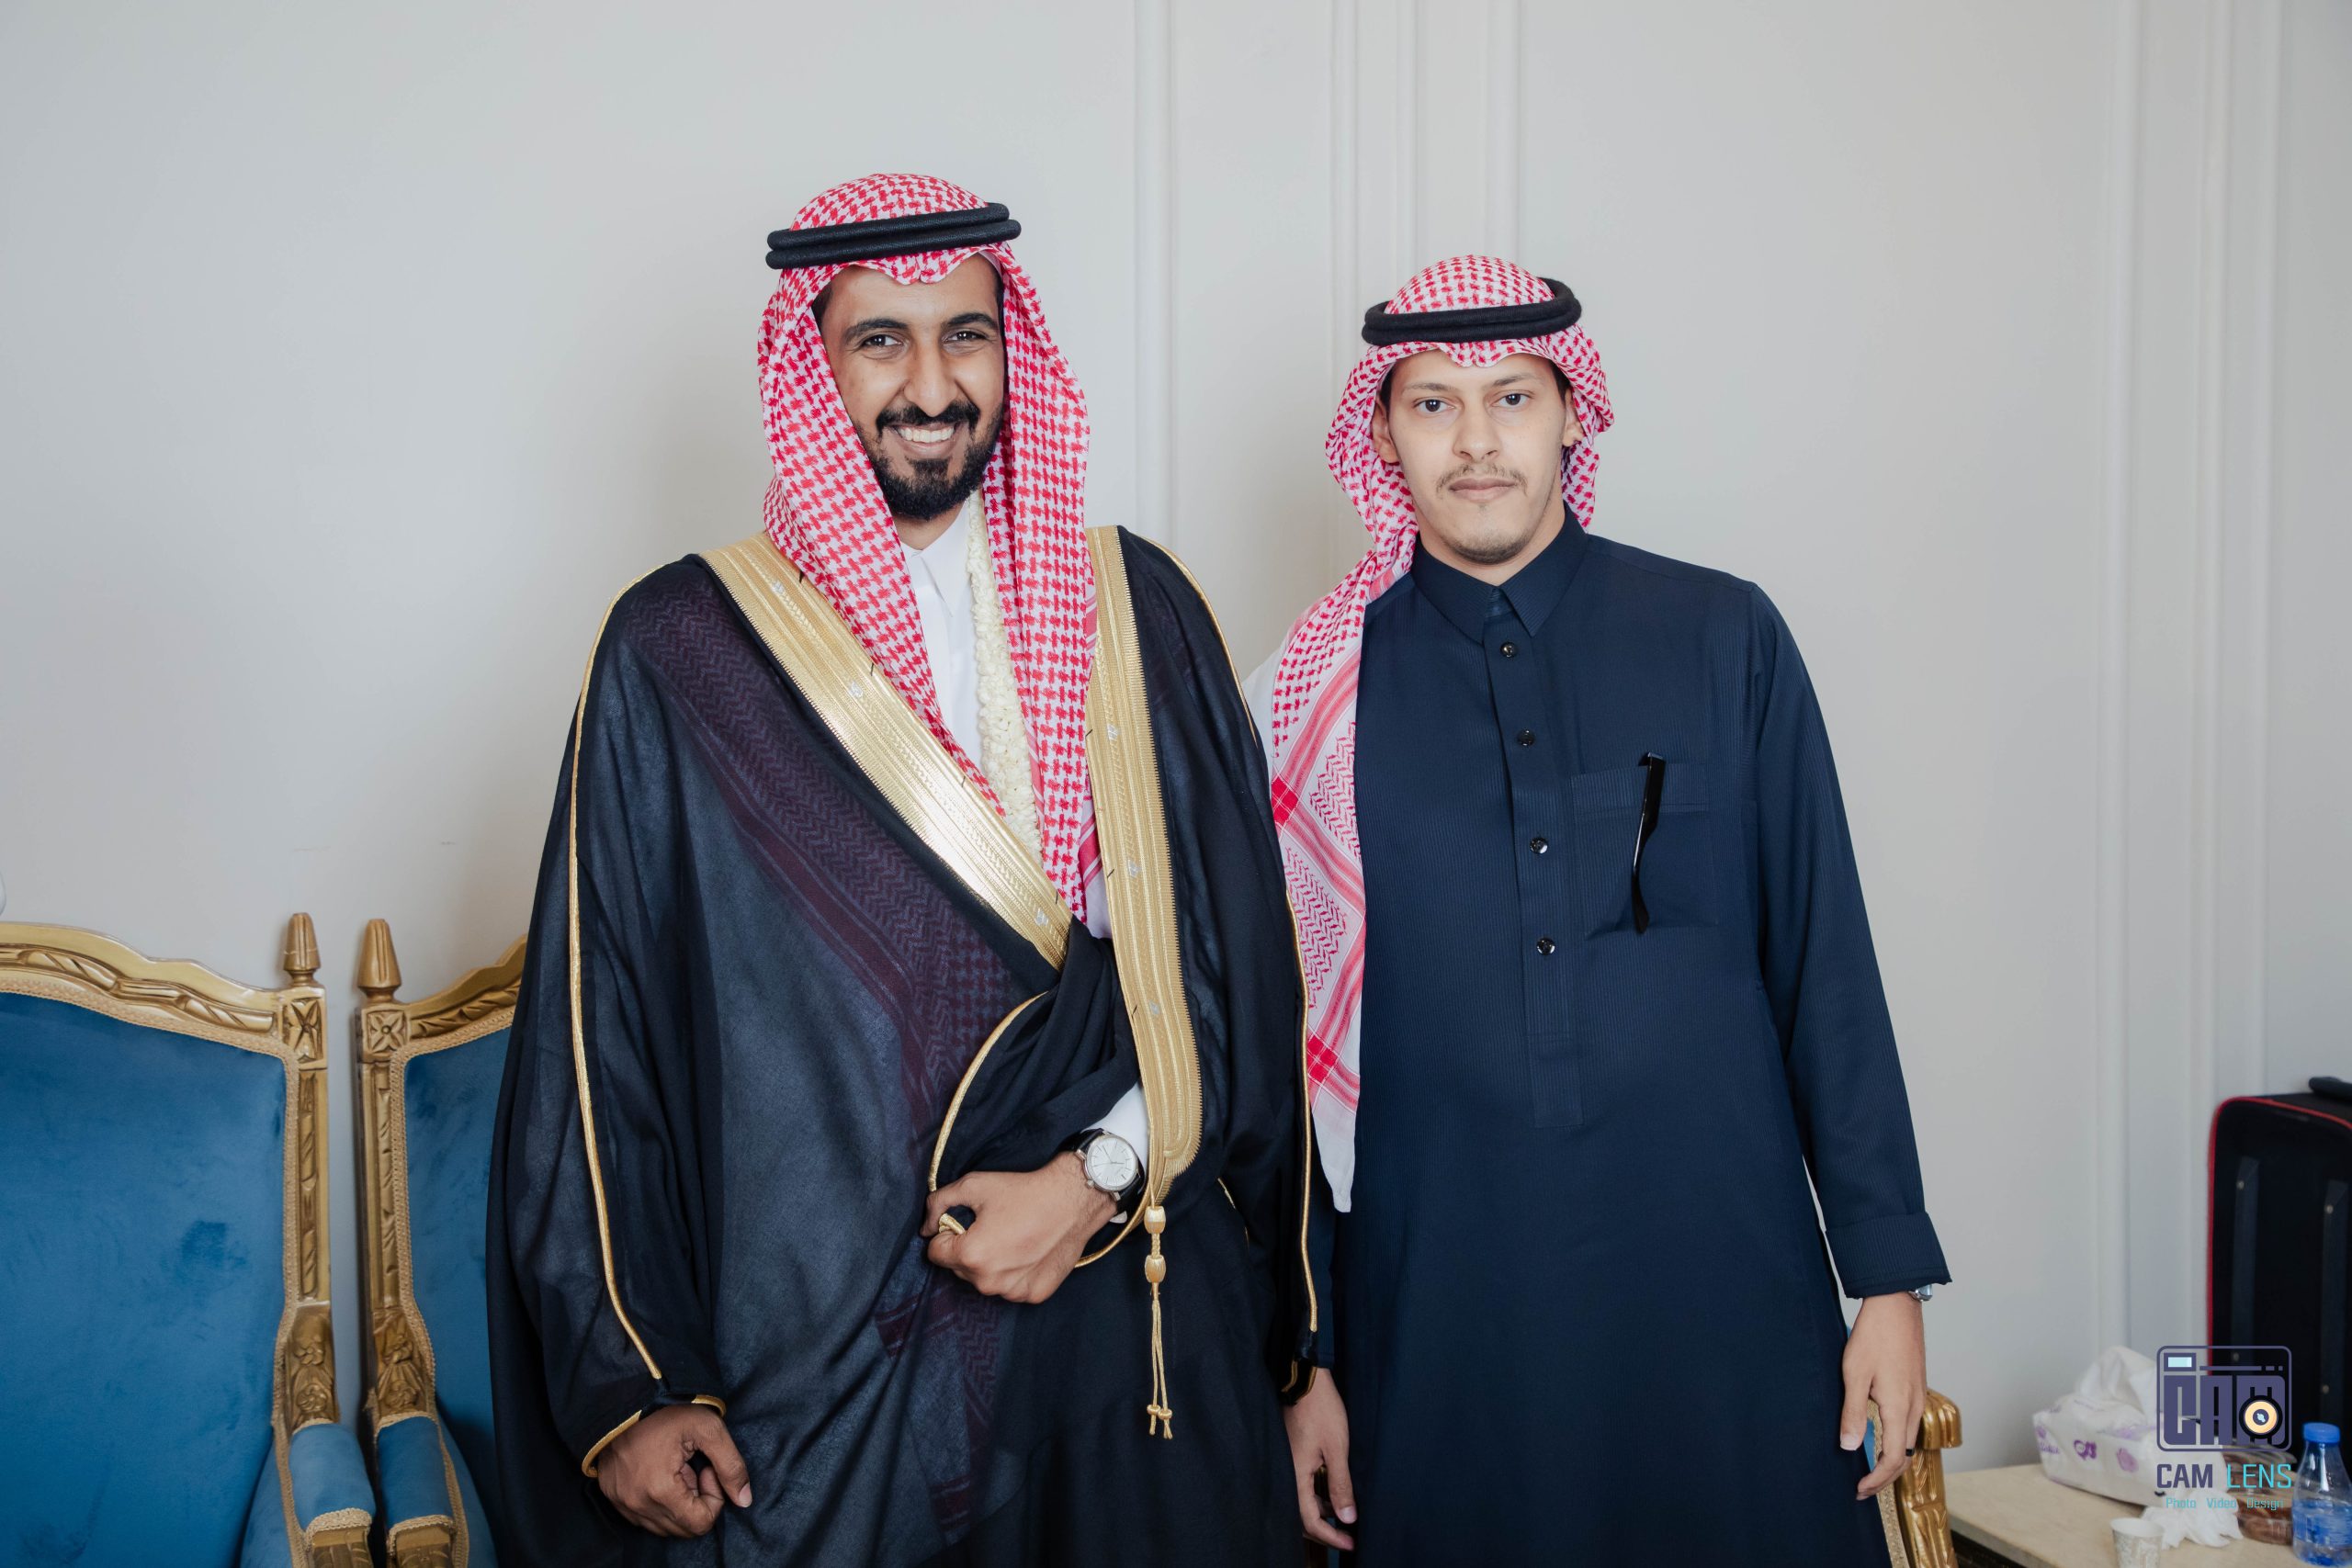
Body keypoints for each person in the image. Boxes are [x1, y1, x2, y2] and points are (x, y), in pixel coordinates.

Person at [488, 173, 1314, 1567]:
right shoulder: (680, 653)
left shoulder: (1135, 611)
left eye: (965, 335)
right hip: (828, 1355)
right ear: (812, 367)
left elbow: (1235, 972)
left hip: (1133, 1327)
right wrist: (632, 1379)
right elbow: (597, 1035)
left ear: (1012, 350)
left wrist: (1093, 1177)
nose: (932, 385)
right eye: (881, 340)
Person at [1253, 255, 1950, 1566]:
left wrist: (1888, 1282)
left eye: (1512, 398)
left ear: (1573, 410)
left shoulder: (1722, 635)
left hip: (1721, 1290)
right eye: (1433, 404)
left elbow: (1826, 966)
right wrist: (1309, 1359)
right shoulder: (1317, 694)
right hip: (1440, 1317)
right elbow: (1283, 1069)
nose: (1475, 442)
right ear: (1382, 431)